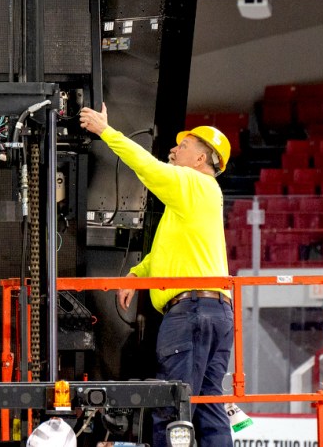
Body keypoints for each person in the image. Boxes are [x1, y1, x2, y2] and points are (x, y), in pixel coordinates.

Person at [78, 103, 233, 447]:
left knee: (173, 405)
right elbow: (167, 252)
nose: (175, 149)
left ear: (200, 159)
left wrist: (106, 131)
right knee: (208, 406)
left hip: (191, 311)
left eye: (185, 146)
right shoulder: (193, 203)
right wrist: (138, 274)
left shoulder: (193, 184)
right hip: (216, 311)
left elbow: (146, 167)